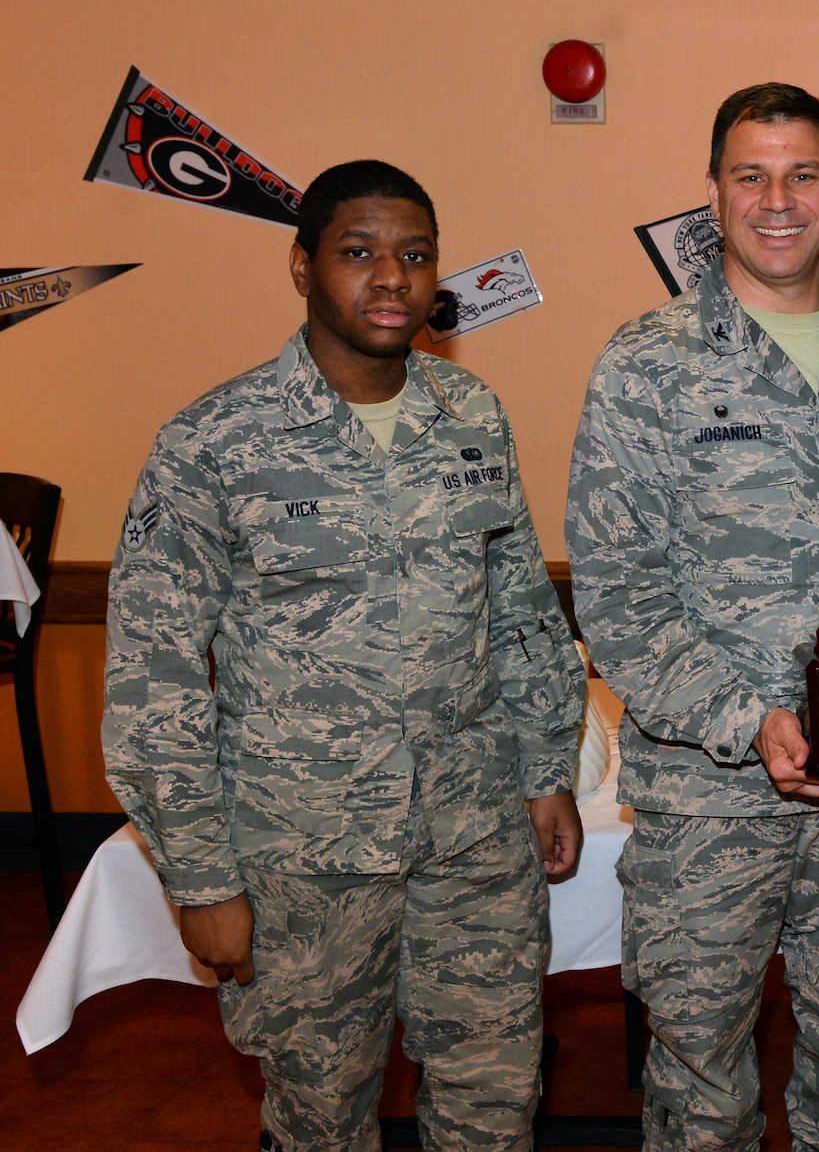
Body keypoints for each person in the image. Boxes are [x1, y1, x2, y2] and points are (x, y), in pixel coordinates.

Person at [102, 160, 586, 1152]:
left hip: (473, 844)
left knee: (496, 1106)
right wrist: (201, 880)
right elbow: (150, 672)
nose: (390, 279)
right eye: (358, 252)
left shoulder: (470, 416)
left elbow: (520, 607)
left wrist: (546, 770)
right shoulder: (213, 442)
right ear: (302, 266)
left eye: (413, 256)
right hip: (305, 865)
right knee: (321, 1119)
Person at [566, 83, 819, 1152]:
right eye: (750, 175)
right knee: (698, 1085)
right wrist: (746, 719)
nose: (778, 198)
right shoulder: (645, 365)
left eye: (803, 174)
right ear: (712, 197)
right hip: (708, 799)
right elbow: (618, 592)